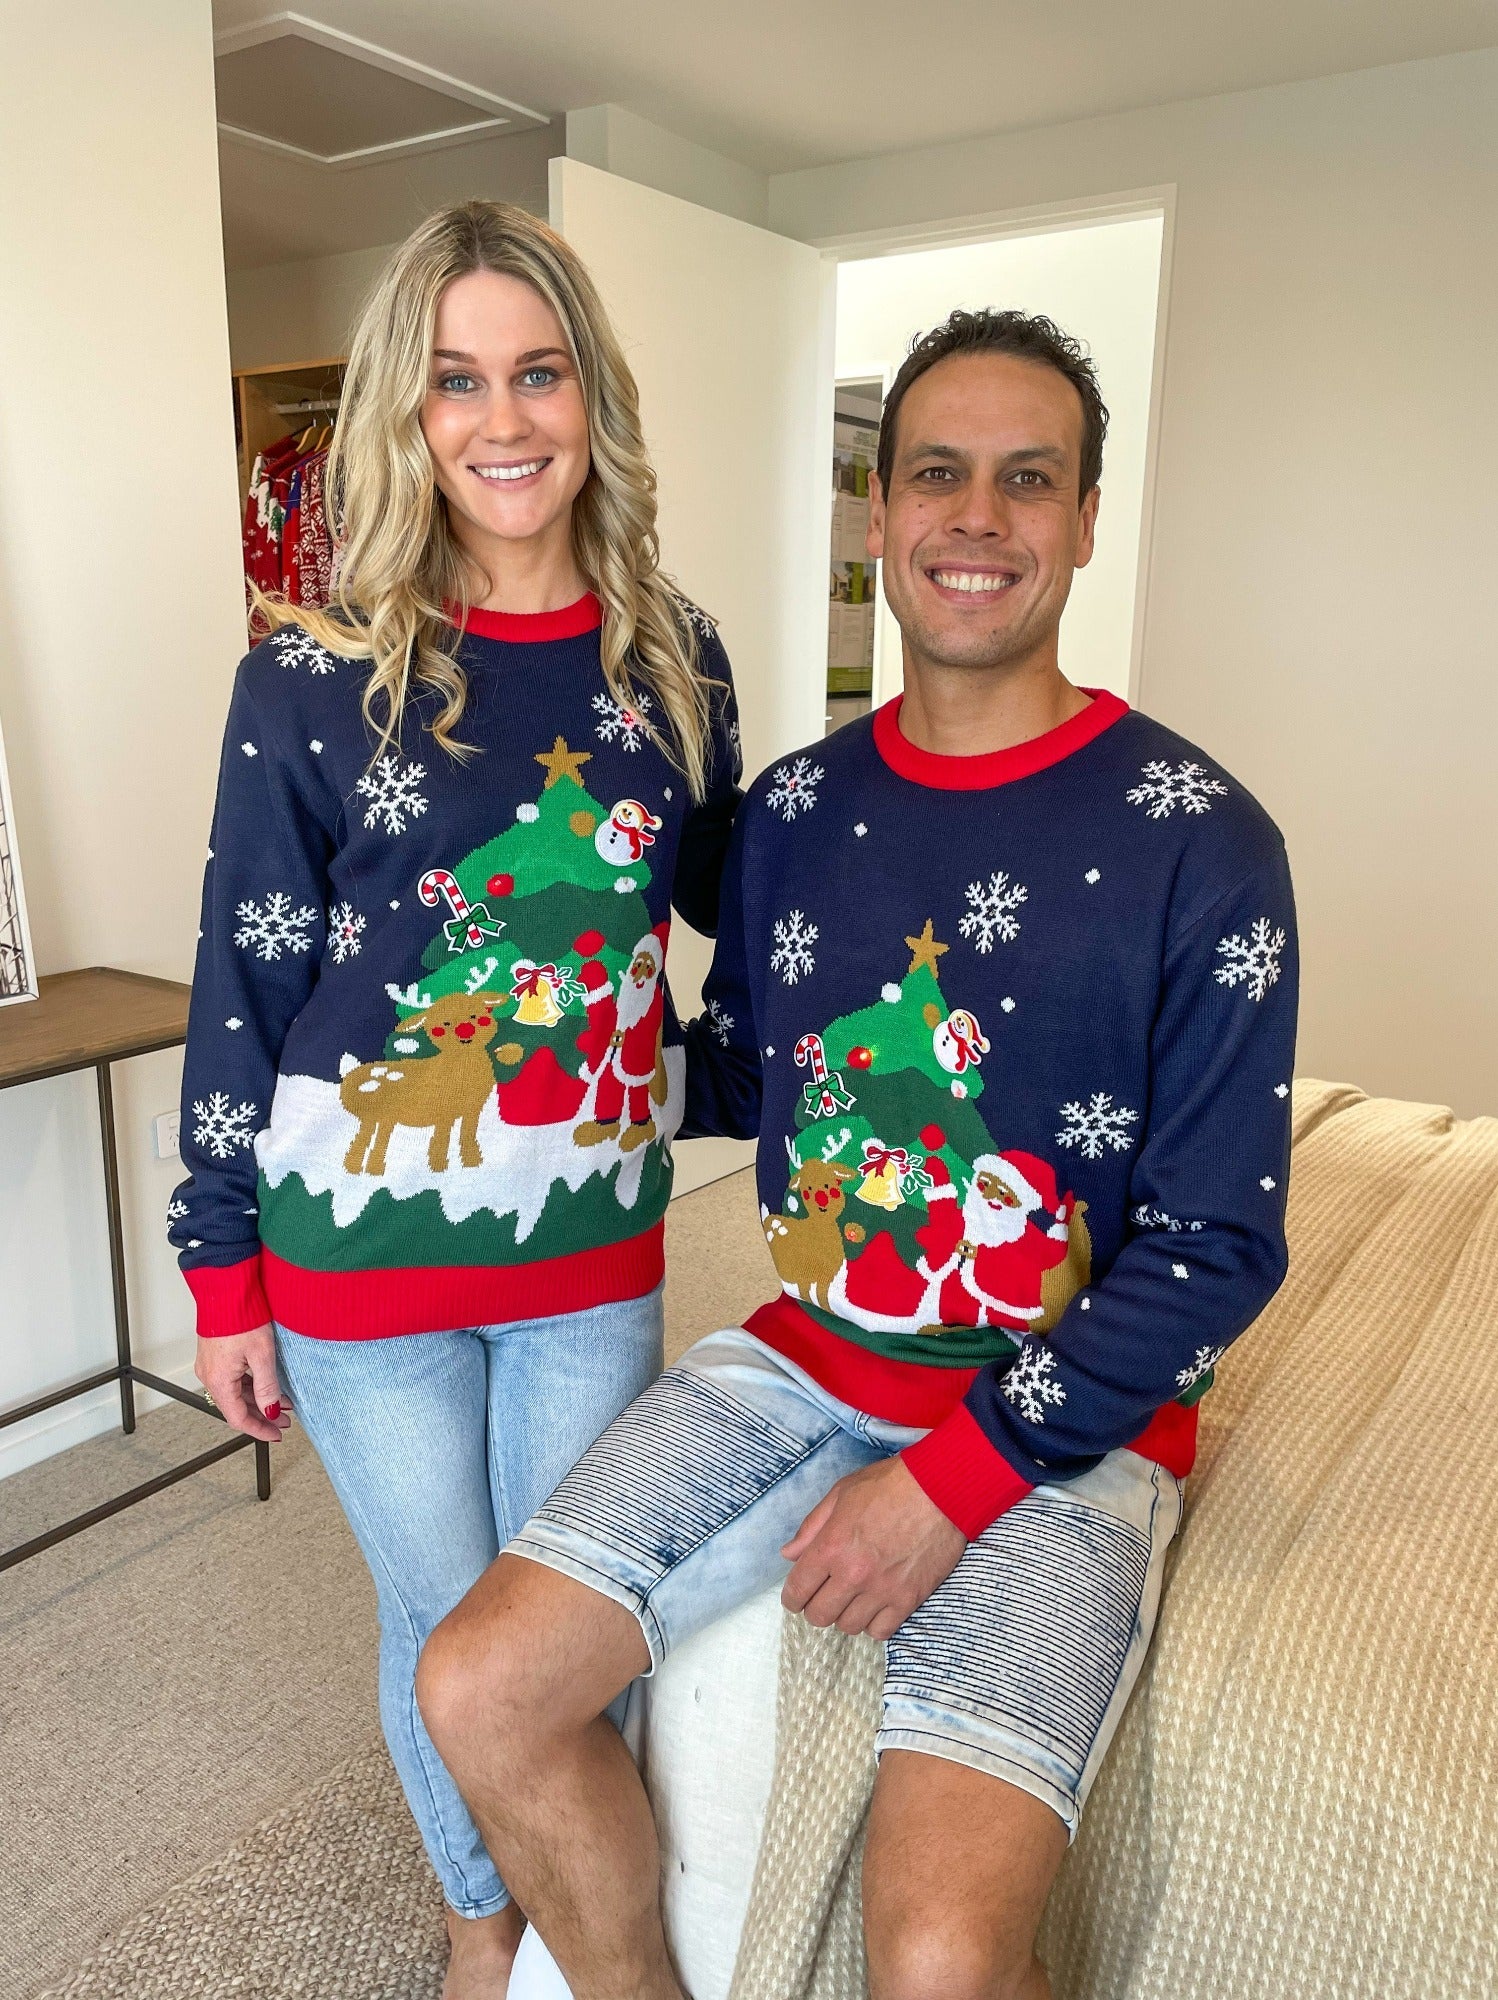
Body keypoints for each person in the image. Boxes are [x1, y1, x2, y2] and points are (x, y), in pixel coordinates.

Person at [415, 307, 1297, 2000]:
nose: (978, 517)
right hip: (810, 1352)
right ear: (879, 512)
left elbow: (1218, 1250)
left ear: (1085, 519)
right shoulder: (797, 817)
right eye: (937, 475)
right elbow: (752, 1073)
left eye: (1027, 479)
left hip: (1066, 1425)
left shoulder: (1203, 842)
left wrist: (946, 1485)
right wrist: (504, 1028)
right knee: (477, 1689)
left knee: (945, 1954)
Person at [168, 200, 741, 1998]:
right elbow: (247, 975)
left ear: (593, 399)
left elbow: (751, 916)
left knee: (571, 1625)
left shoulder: (674, 660)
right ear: (404, 416)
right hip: (355, 1254)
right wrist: (220, 1269)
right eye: (456, 381)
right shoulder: (312, 676)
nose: (503, 420)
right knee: (445, 1621)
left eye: (539, 373)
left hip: (586, 1248)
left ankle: (588, 1941)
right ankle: (484, 1929)